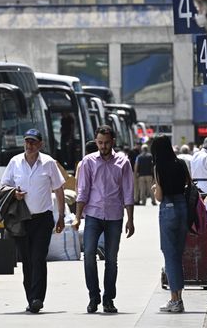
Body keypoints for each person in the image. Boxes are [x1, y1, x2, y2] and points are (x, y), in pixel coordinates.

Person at [0, 129, 65, 314]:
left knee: (38, 258)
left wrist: (61, 216)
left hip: (43, 219)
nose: (29, 146)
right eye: (27, 142)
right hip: (21, 220)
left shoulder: (48, 163)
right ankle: (31, 298)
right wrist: (14, 193)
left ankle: (37, 298)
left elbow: (59, 189)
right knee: (27, 261)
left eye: (33, 142)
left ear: (40, 145)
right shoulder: (15, 162)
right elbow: (4, 185)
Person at [72, 125, 135, 314]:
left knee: (111, 259)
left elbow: (128, 192)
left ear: (113, 142)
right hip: (93, 215)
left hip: (115, 217)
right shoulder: (88, 162)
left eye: (106, 143)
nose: (103, 146)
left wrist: (130, 220)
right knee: (89, 255)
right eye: (100, 142)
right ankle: (93, 296)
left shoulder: (123, 162)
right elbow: (82, 191)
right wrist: (77, 218)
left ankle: (109, 299)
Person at [151, 135, 188, 313]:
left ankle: (175, 300)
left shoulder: (159, 167)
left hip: (168, 208)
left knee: (170, 255)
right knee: (178, 254)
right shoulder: (181, 163)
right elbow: (188, 183)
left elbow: (159, 196)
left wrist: (155, 189)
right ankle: (178, 297)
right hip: (183, 208)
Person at [128, 142, 141, 206]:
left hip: (138, 172)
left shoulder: (138, 152)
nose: (139, 146)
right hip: (133, 171)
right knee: (135, 186)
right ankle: (135, 200)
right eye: (138, 145)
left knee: (137, 187)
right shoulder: (132, 152)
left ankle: (137, 199)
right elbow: (130, 161)